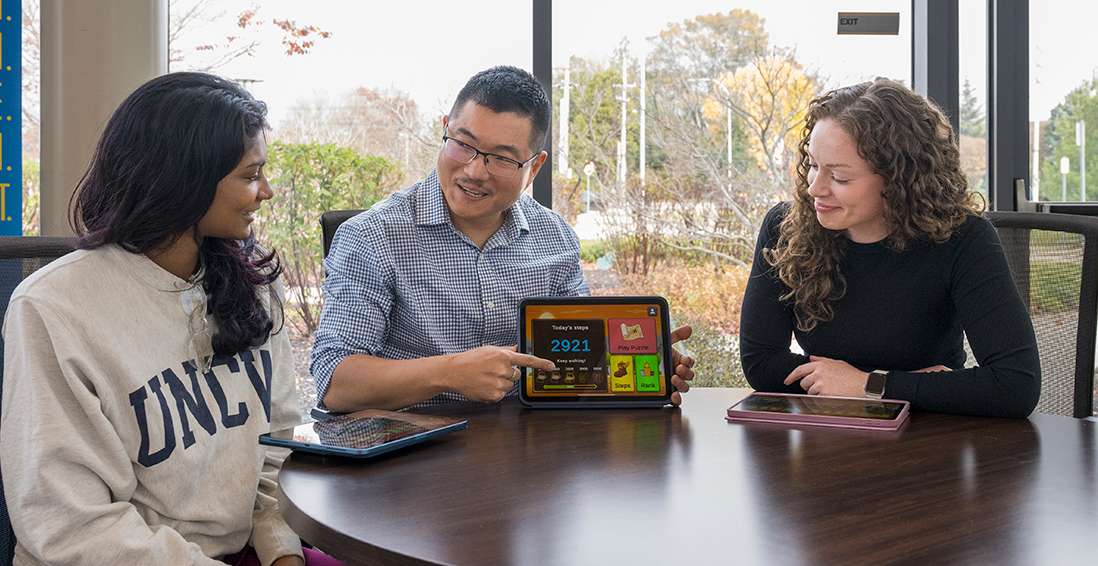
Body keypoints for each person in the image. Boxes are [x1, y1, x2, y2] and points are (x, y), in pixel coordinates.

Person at [0, 72, 462, 566]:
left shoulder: (250, 280)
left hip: (241, 562)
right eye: (251, 175)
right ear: (184, 181)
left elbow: (276, 450)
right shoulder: (54, 308)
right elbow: (71, 526)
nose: (265, 191)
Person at [311, 65, 696, 414]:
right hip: (407, 461)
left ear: (534, 168)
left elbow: (577, 356)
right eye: (462, 143)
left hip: (527, 457)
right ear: (445, 128)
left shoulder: (555, 238)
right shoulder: (372, 236)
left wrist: (632, 361)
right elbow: (335, 383)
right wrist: (450, 373)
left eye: (502, 158)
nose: (474, 170)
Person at [738, 78, 1040, 418]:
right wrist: (916, 386)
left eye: (839, 177)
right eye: (812, 165)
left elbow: (1015, 385)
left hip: (930, 440)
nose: (815, 189)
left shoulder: (964, 239)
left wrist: (870, 385)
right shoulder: (786, 228)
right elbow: (761, 362)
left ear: (899, 180)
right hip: (829, 438)